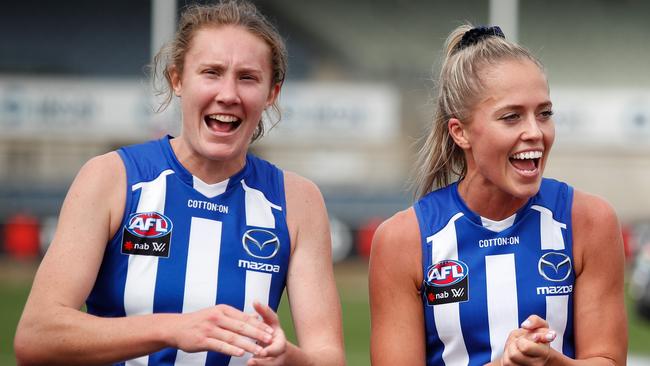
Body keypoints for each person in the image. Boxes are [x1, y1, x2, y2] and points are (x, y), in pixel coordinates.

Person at [14, 1, 345, 365]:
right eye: (212, 72)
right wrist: (172, 329)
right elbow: (37, 336)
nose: (229, 94)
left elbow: (327, 357)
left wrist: (288, 360)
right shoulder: (112, 178)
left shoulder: (297, 201)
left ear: (271, 94)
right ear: (177, 79)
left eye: (248, 77)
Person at [369, 24, 627, 365]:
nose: (535, 132)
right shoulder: (404, 240)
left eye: (544, 113)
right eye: (511, 117)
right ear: (460, 132)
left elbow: (608, 359)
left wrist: (549, 361)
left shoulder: (590, 221)